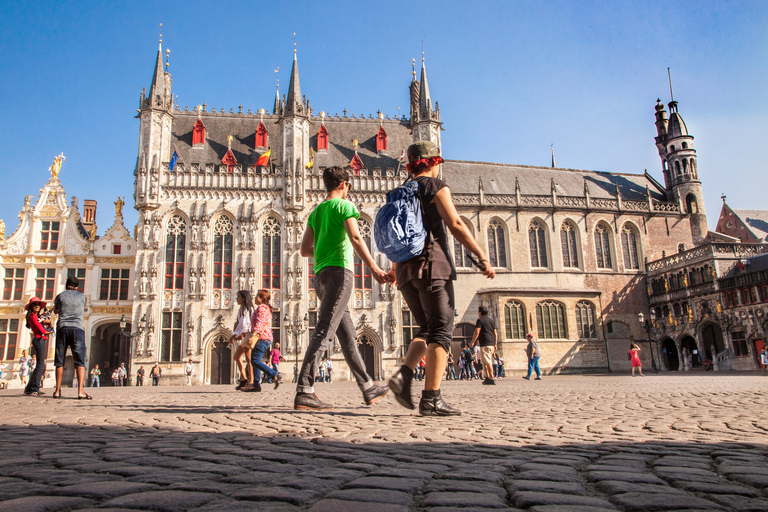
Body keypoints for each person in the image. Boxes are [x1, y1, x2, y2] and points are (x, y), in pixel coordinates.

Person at [387, 141, 495, 416]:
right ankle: (431, 398)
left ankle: (403, 376)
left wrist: (392, 268)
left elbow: (394, 234)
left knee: (425, 328)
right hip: (432, 267)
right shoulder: (435, 186)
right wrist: (481, 254)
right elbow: (456, 223)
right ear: (433, 162)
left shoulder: (398, 192)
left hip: (405, 272)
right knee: (442, 332)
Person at [296, 166, 390, 411]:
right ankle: (305, 389)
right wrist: (374, 269)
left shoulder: (315, 213)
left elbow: (305, 250)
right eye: (349, 186)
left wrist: (324, 245)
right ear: (344, 185)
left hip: (320, 277)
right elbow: (356, 238)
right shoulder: (345, 207)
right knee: (324, 331)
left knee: (347, 335)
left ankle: (368, 387)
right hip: (340, 273)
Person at [52, 276, 90, 399]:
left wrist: (57, 309)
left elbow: (56, 310)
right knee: (80, 361)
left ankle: (57, 391)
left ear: (66, 285)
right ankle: (80, 391)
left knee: (59, 361)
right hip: (77, 329)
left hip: (63, 327)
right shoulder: (82, 297)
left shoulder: (60, 296)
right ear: (78, 286)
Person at [248, 289, 282, 391]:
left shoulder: (262, 308)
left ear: (262, 298)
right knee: (254, 360)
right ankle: (256, 384)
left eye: (257, 296)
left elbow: (260, 322)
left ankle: (274, 374)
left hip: (262, 338)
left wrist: (253, 335)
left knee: (254, 360)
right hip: (264, 338)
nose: (255, 298)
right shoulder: (264, 308)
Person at [23, 297, 51, 396]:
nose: (37, 306)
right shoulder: (33, 317)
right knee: (40, 365)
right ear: (31, 306)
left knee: (39, 366)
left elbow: (43, 323)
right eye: (35, 305)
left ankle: (29, 388)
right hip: (39, 340)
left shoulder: (37, 316)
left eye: (39, 305)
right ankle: (35, 387)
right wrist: (50, 329)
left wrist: (47, 321)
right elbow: (42, 330)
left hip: (39, 340)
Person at [231, 290, 255, 391]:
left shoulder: (248, 309)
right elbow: (239, 323)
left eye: (239, 297)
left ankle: (251, 382)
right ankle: (244, 378)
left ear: (244, 298)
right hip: (244, 335)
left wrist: (235, 334)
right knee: (237, 356)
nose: (237, 299)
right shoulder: (242, 309)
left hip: (248, 335)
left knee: (249, 359)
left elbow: (245, 324)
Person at [470, 306, 498, 385]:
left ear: (480, 312)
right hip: (491, 343)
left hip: (485, 343)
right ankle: (487, 377)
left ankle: (491, 378)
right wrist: (495, 343)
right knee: (484, 362)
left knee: (488, 362)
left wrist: (472, 342)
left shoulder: (480, 320)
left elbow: (477, 331)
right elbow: (495, 333)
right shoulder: (491, 321)